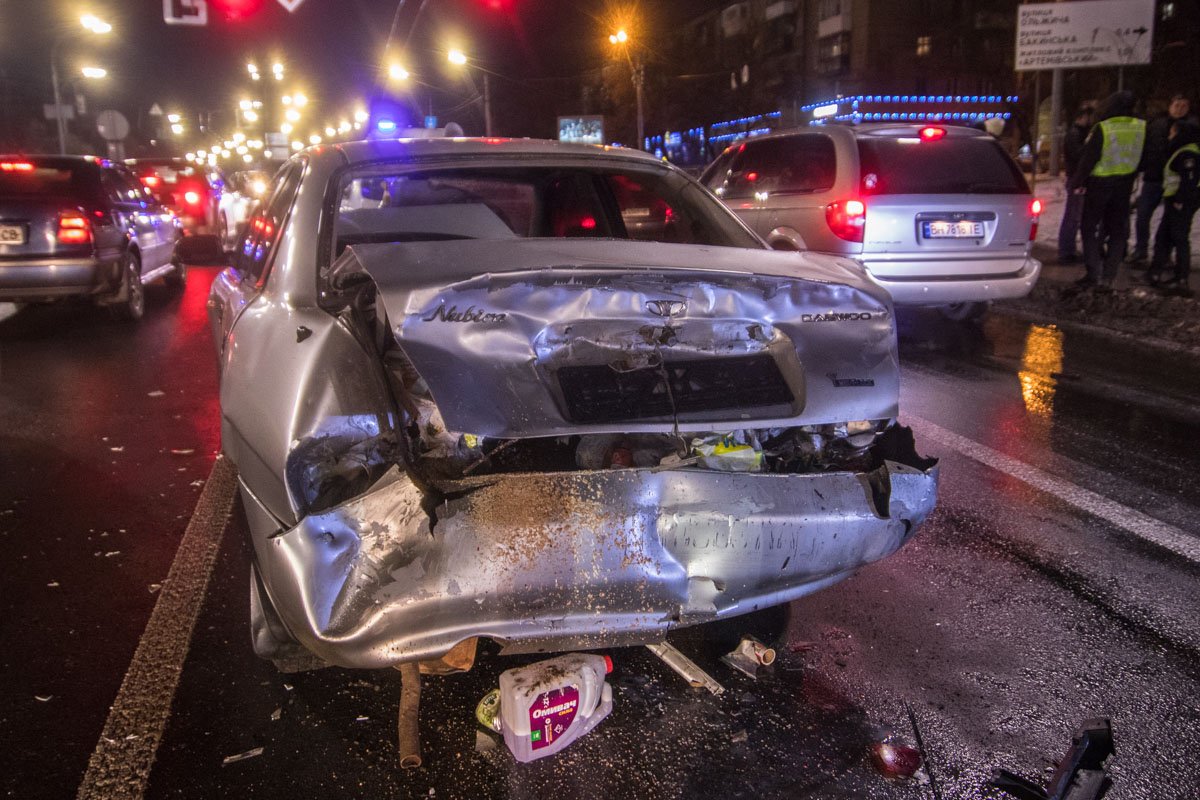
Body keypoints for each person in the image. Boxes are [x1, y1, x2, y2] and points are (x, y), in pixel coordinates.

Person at [1069, 91, 1146, 291]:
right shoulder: (1141, 127)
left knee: (1089, 227)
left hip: (1099, 184)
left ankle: (1093, 273)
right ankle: (1110, 274)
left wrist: (1077, 182)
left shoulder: (1104, 128)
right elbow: (1146, 155)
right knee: (1117, 231)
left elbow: (1088, 158)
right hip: (1124, 184)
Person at [1129, 94, 1193, 264]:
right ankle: (1140, 249)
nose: (1180, 109)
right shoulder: (1157, 124)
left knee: (1170, 220)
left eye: (1184, 106)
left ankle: (1164, 254)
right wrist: (1140, 167)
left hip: (1175, 182)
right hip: (1153, 177)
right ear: (1170, 106)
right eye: (1177, 105)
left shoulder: (1191, 127)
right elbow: (1145, 147)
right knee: (1142, 215)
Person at [1147, 120, 1200, 297]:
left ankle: (1181, 278)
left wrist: (1180, 200)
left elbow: (1189, 180)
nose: (1170, 134)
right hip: (1175, 200)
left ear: (1179, 133)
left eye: (1172, 131)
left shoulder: (1188, 153)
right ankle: (1156, 272)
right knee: (1164, 236)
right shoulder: (1183, 150)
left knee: (1179, 238)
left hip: (1181, 202)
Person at [1057, 105, 1094, 263]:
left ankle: (1068, 249)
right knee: (1073, 216)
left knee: (1074, 215)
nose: (1090, 120)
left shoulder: (1078, 133)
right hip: (1076, 179)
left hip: (1077, 178)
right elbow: (1078, 155)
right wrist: (1089, 144)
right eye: (1088, 117)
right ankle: (1066, 252)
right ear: (1081, 117)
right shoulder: (1075, 134)